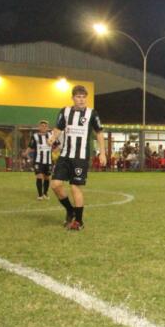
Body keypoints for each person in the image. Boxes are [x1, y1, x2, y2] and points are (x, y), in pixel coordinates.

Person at [47, 85, 106, 230]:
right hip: (65, 155)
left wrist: (102, 153)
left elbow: (99, 133)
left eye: (84, 97)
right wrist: (52, 137)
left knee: (75, 187)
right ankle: (69, 210)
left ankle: (78, 221)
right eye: (78, 97)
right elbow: (58, 128)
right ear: (73, 98)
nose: (81, 100)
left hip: (81, 157)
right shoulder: (65, 111)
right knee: (55, 185)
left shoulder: (92, 113)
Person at [24, 120, 53, 200]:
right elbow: (30, 146)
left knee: (47, 177)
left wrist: (54, 151)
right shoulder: (35, 136)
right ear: (39, 127)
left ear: (47, 128)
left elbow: (57, 144)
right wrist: (25, 153)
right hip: (38, 160)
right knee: (39, 176)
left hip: (48, 161)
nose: (43, 127)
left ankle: (45, 193)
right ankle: (40, 195)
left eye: (45, 126)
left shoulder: (51, 135)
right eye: (42, 126)